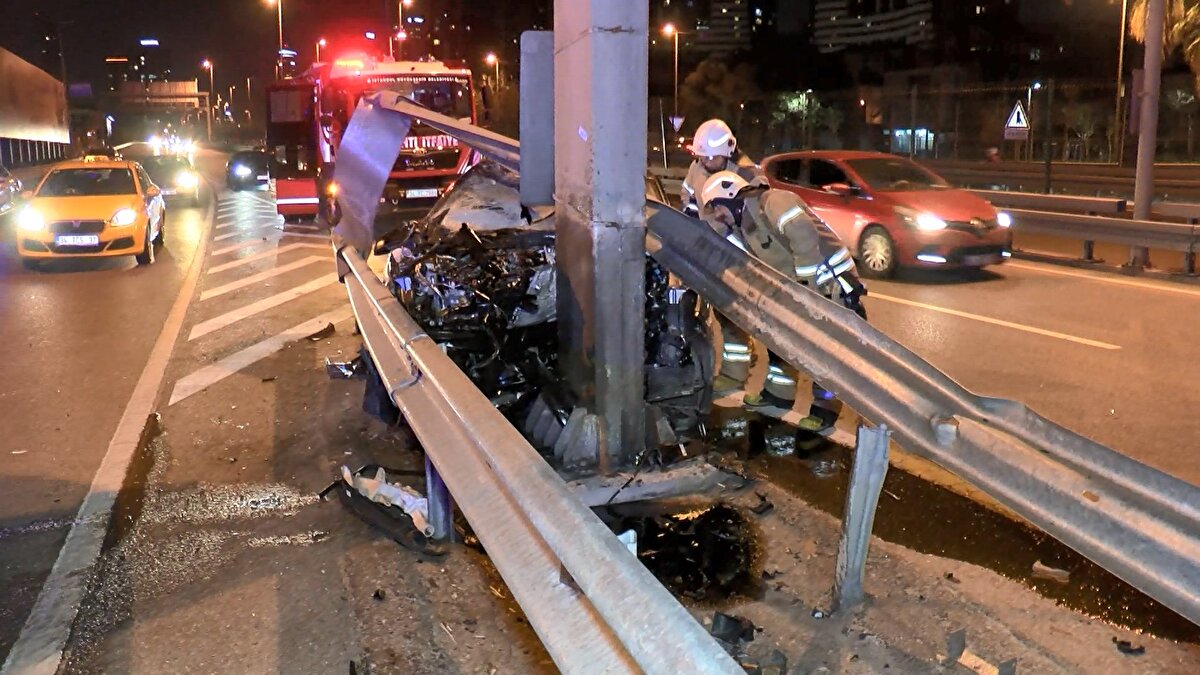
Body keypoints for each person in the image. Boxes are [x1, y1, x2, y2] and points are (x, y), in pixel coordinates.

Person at [698, 170, 868, 435]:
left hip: (831, 286)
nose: (719, 216)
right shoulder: (743, 227)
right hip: (800, 289)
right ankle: (778, 394)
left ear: (731, 197)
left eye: (718, 208)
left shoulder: (774, 202)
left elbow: (804, 240)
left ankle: (824, 412)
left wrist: (807, 292)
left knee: (828, 353)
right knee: (781, 343)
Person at [680, 118, 764, 216]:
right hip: (703, 230)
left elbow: (755, 218)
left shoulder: (746, 175)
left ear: (727, 154)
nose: (705, 163)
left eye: (711, 157)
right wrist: (693, 213)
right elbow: (687, 192)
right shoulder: (697, 167)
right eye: (702, 157)